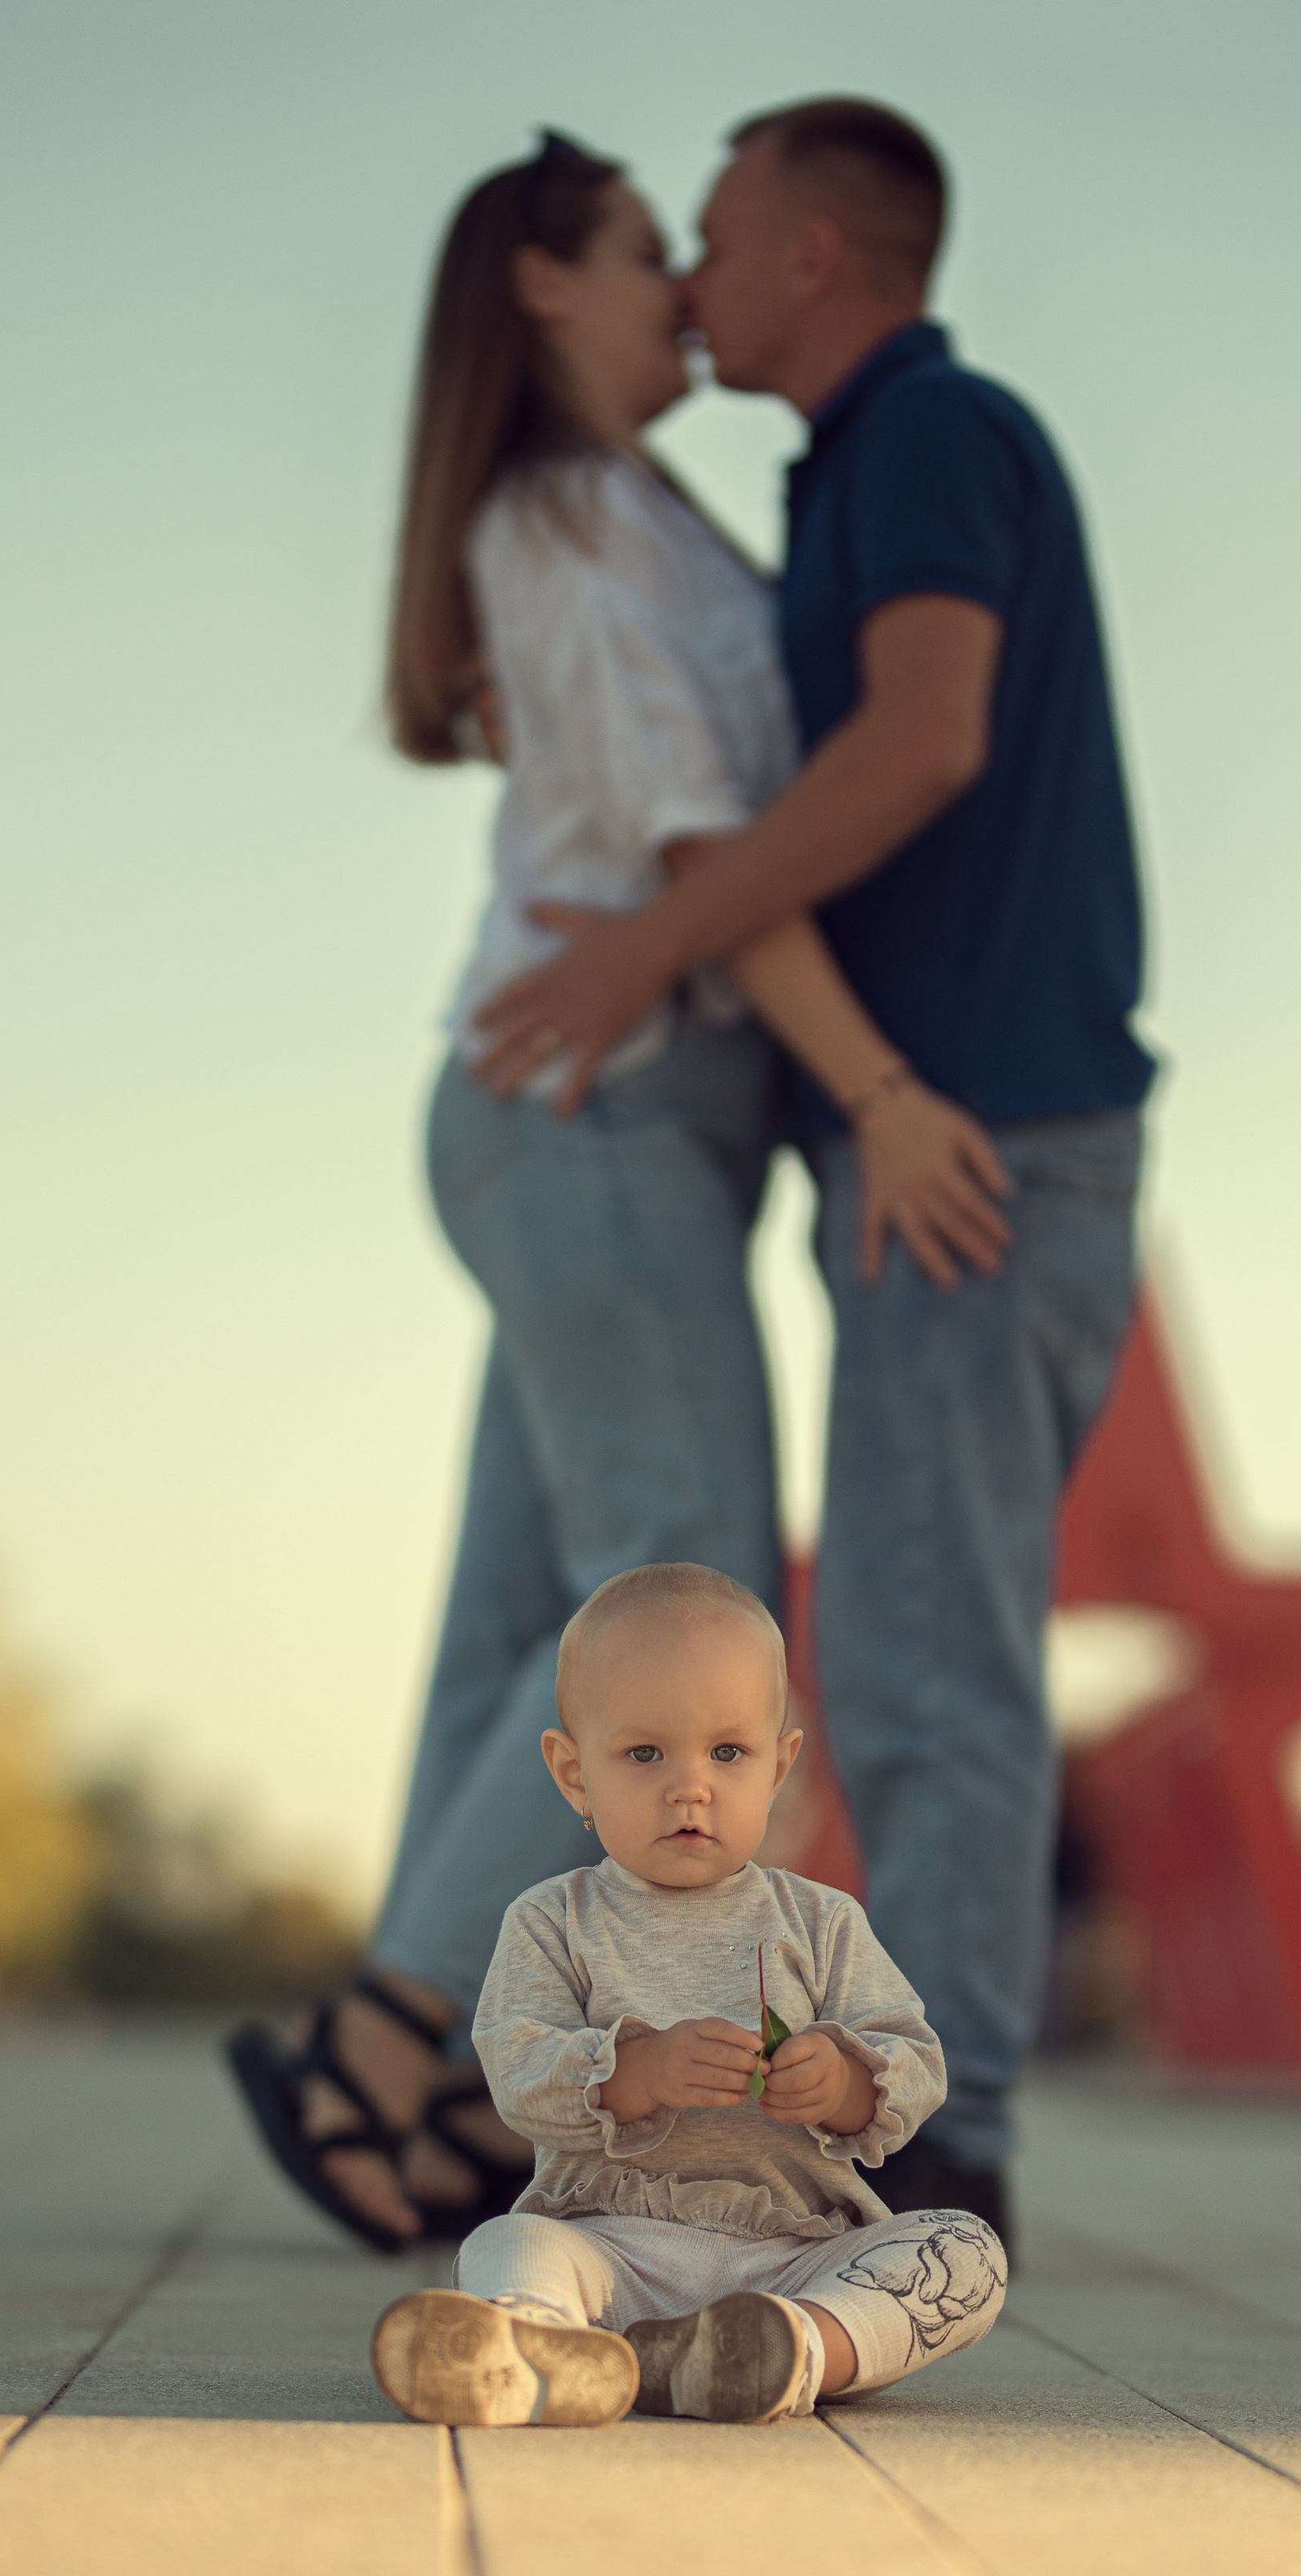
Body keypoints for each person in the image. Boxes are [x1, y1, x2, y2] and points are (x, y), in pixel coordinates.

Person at [228, 132, 1013, 2253]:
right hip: (593, 1115)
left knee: (527, 1625)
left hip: (605, 1122)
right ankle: (402, 2043)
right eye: (640, 255)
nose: (680, 285)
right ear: (540, 294)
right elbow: (692, 861)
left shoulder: (622, 523)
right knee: (680, 1578)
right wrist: (877, 1081)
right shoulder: (571, 525)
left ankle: (396, 2075)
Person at [474, 101, 1156, 2244]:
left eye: (722, 227)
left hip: (975, 1146)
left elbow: (926, 739)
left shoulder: (935, 436)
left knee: (929, 1652)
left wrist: (656, 949)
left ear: (822, 259)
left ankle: (947, 2155)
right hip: (942, 1136)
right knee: (903, 1637)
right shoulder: (853, 467)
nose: (688, 270)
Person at [370, 1562, 1007, 2427]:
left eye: (727, 1752)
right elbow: (518, 2070)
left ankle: (788, 2347)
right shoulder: (554, 1920)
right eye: (643, 1753)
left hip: (794, 2255)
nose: (690, 1786)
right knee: (505, 2242)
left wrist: (847, 2083)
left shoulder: (820, 1921)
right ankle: (538, 2341)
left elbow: (914, 2058)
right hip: (611, 2249)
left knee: (961, 2255)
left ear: (779, 1766)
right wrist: (640, 2070)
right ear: (572, 1773)